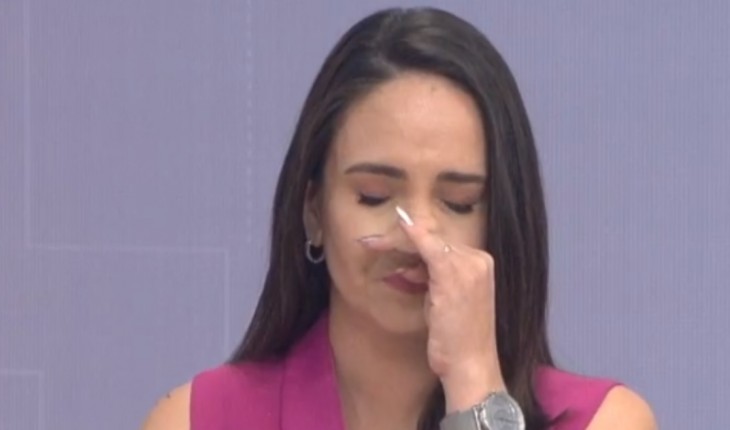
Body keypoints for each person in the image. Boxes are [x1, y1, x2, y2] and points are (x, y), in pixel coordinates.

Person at [142, 7, 656, 430]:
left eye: (458, 202)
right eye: (374, 196)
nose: (416, 234)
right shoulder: (196, 420)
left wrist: (474, 384)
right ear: (314, 210)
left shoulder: (605, 421)